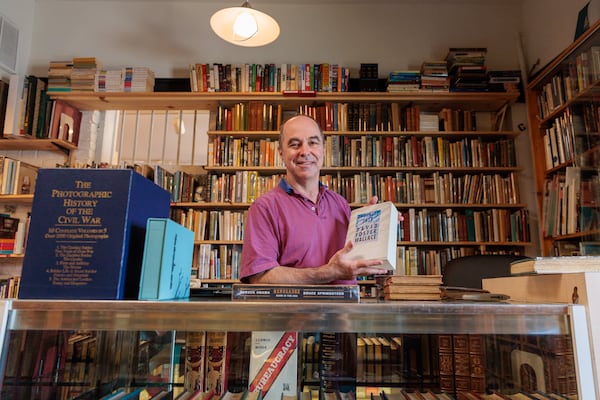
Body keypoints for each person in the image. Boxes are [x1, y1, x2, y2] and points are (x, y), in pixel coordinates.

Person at [239, 114, 388, 284]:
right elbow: (259, 277)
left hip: (345, 308)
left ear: (323, 149)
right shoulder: (265, 208)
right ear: (281, 153)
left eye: (313, 142)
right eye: (295, 144)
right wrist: (328, 272)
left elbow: (356, 260)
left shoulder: (340, 204)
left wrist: (379, 227)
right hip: (293, 310)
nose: (305, 151)